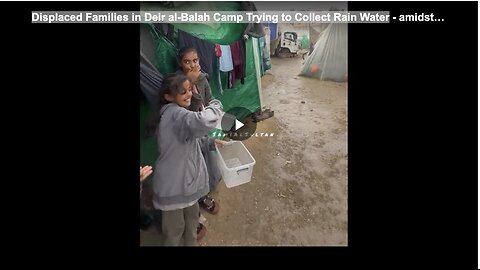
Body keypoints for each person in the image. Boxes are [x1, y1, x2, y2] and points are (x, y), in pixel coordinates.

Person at [150, 74, 226, 246]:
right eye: (182, 91)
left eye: (189, 89)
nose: (188, 94)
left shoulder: (176, 115)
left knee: (192, 219)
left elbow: (189, 140)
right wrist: (215, 104)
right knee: (175, 230)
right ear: (169, 97)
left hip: (185, 185)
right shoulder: (175, 115)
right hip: (174, 188)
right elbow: (205, 120)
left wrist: (210, 142)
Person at [176, 47, 222, 216]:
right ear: (181, 64)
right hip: (188, 131)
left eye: (195, 60)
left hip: (203, 128)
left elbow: (208, 100)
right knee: (192, 169)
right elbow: (188, 108)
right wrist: (191, 83)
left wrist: (212, 114)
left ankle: (204, 195)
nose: (192, 65)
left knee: (207, 162)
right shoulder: (177, 83)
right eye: (187, 62)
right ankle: (194, 205)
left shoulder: (202, 78)